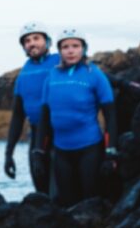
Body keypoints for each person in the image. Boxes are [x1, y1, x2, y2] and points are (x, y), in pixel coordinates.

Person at [37, 28, 118, 207]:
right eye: (65, 46)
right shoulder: (52, 75)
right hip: (61, 152)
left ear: (84, 49)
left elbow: (110, 115)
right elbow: (44, 117)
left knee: (90, 201)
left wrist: (110, 152)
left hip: (89, 149)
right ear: (59, 51)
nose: (71, 50)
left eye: (75, 45)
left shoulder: (95, 74)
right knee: (67, 204)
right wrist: (38, 152)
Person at [4, 21, 60, 193]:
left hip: (61, 134)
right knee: (41, 192)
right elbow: (18, 116)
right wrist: (9, 154)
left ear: (48, 42)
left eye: (36, 38)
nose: (32, 43)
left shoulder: (61, 60)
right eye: (27, 41)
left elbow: (92, 75)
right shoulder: (23, 74)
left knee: (60, 191)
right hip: (36, 136)